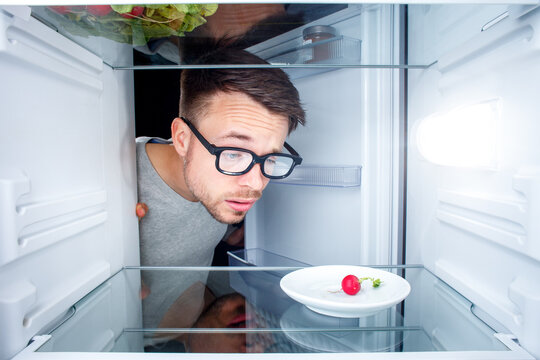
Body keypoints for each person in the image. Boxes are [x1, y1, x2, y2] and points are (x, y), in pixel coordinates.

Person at [135, 43, 306, 329]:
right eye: (234, 153)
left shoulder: (216, 184)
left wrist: (236, 232)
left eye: (271, 158)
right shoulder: (113, 187)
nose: (255, 185)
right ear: (182, 138)